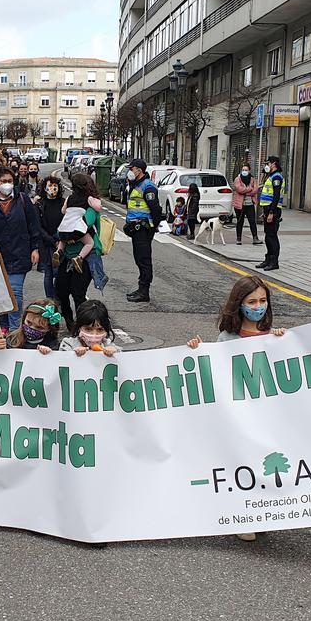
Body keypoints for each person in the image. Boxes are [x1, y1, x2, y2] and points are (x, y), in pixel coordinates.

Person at [186, 275, 286, 542]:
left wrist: (281, 341)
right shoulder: (227, 338)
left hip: (266, 415)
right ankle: (244, 516)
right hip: (240, 414)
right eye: (252, 301)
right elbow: (214, 371)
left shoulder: (273, 337)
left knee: (267, 462)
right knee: (243, 462)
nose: (258, 306)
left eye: (263, 300)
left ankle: (265, 511)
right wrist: (196, 351)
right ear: (239, 304)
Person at [0, 167, 42, 331]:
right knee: (0, 295)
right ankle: (2, 329)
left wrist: (35, 248)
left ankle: (15, 330)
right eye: (4, 181)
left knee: (15, 294)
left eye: (10, 181)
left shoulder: (23, 200)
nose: (7, 184)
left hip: (19, 254)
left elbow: (34, 225)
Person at [55, 173, 108, 292]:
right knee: (90, 243)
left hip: (66, 228)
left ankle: (59, 251)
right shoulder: (89, 200)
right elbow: (93, 215)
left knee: (62, 239)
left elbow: (63, 211)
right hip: (79, 232)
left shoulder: (69, 198)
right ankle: (79, 258)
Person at [123, 158, 163, 303]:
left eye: (131, 169)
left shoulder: (148, 186)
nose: (130, 171)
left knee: (144, 260)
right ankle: (141, 289)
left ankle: (144, 292)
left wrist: (153, 226)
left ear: (139, 170)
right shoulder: (136, 185)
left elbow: (155, 209)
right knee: (139, 259)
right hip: (136, 228)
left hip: (143, 229)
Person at [33, 176, 66, 299]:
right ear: (44, 188)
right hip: (46, 244)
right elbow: (38, 226)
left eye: (55, 186)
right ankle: (49, 300)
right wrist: (52, 241)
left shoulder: (63, 203)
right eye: (50, 186)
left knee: (59, 274)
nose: (53, 188)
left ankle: (58, 299)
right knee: (48, 272)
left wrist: (60, 240)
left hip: (62, 242)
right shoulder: (39, 204)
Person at [256, 156, 284, 271]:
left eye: (268, 163)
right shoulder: (271, 176)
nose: (266, 166)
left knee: (272, 237)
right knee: (268, 237)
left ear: (274, 164)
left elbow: (276, 196)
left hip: (274, 210)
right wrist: (265, 212)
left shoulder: (277, 177)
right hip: (268, 210)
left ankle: (274, 262)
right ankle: (268, 259)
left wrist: (271, 212)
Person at [232, 165, 260, 245]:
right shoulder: (237, 179)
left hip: (250, 203)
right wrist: (249, 189)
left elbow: (255, 190)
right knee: (240, 221)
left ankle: (255, 238)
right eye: (243, 169)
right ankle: (238, 239)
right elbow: (239, 189)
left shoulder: (253, 179)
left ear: (249, 171)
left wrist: (247, 191)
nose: (244, 171)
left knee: (252, 221)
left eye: (246, 170)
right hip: (239, 204)